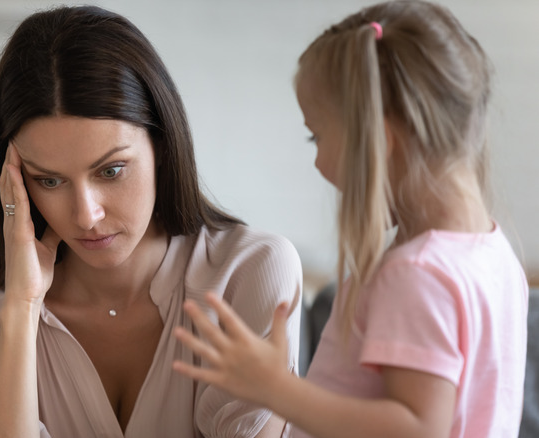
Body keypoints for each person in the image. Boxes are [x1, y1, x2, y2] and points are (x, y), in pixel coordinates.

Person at [0, 5, 303, 438]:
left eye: (110, 171)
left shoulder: (251, 273)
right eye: (49, 180)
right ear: (15, 180)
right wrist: (22, 309)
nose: (86, 215)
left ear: (162, 145)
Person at [172, 1, 529, 437]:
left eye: (317, 135)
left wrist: (276, 389)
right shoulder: (495, 255)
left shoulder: (417, 274)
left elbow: (417, 428)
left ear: (377, 138)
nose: (319, 163)